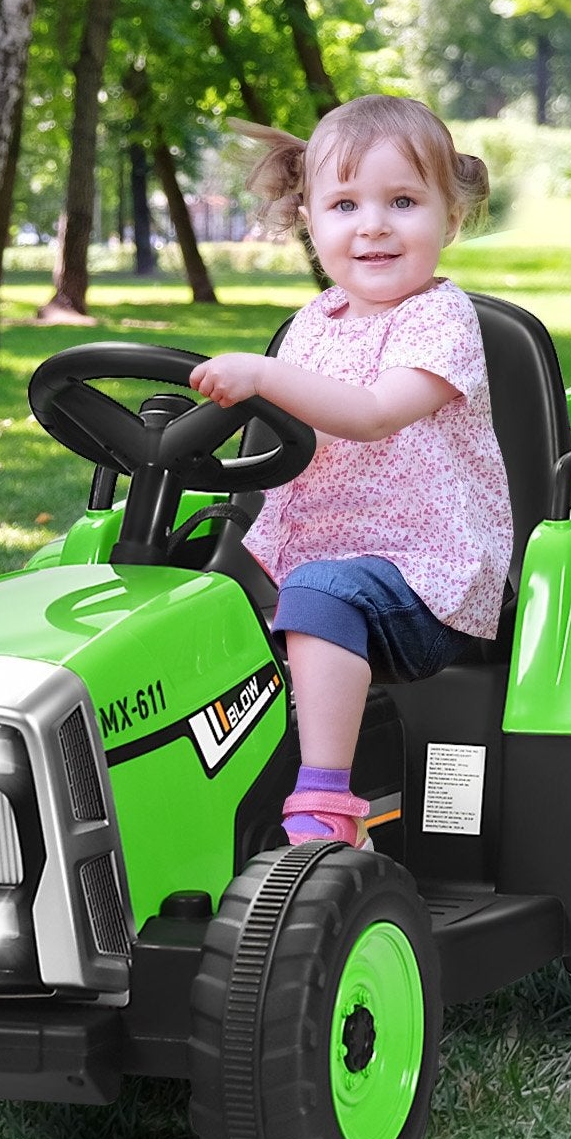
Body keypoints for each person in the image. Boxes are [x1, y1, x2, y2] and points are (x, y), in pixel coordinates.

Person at [188, 95, 512, 847]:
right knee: (188, 590)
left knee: (321, 591)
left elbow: (368, 413)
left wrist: (264, 376)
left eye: (403, 201)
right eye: (345, 203)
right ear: (310, 218)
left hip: (426, 580)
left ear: (449, 218)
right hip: (313, 559)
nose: (372, 225)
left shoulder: (441, 320)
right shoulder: (312, 322)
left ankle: (326, 807)